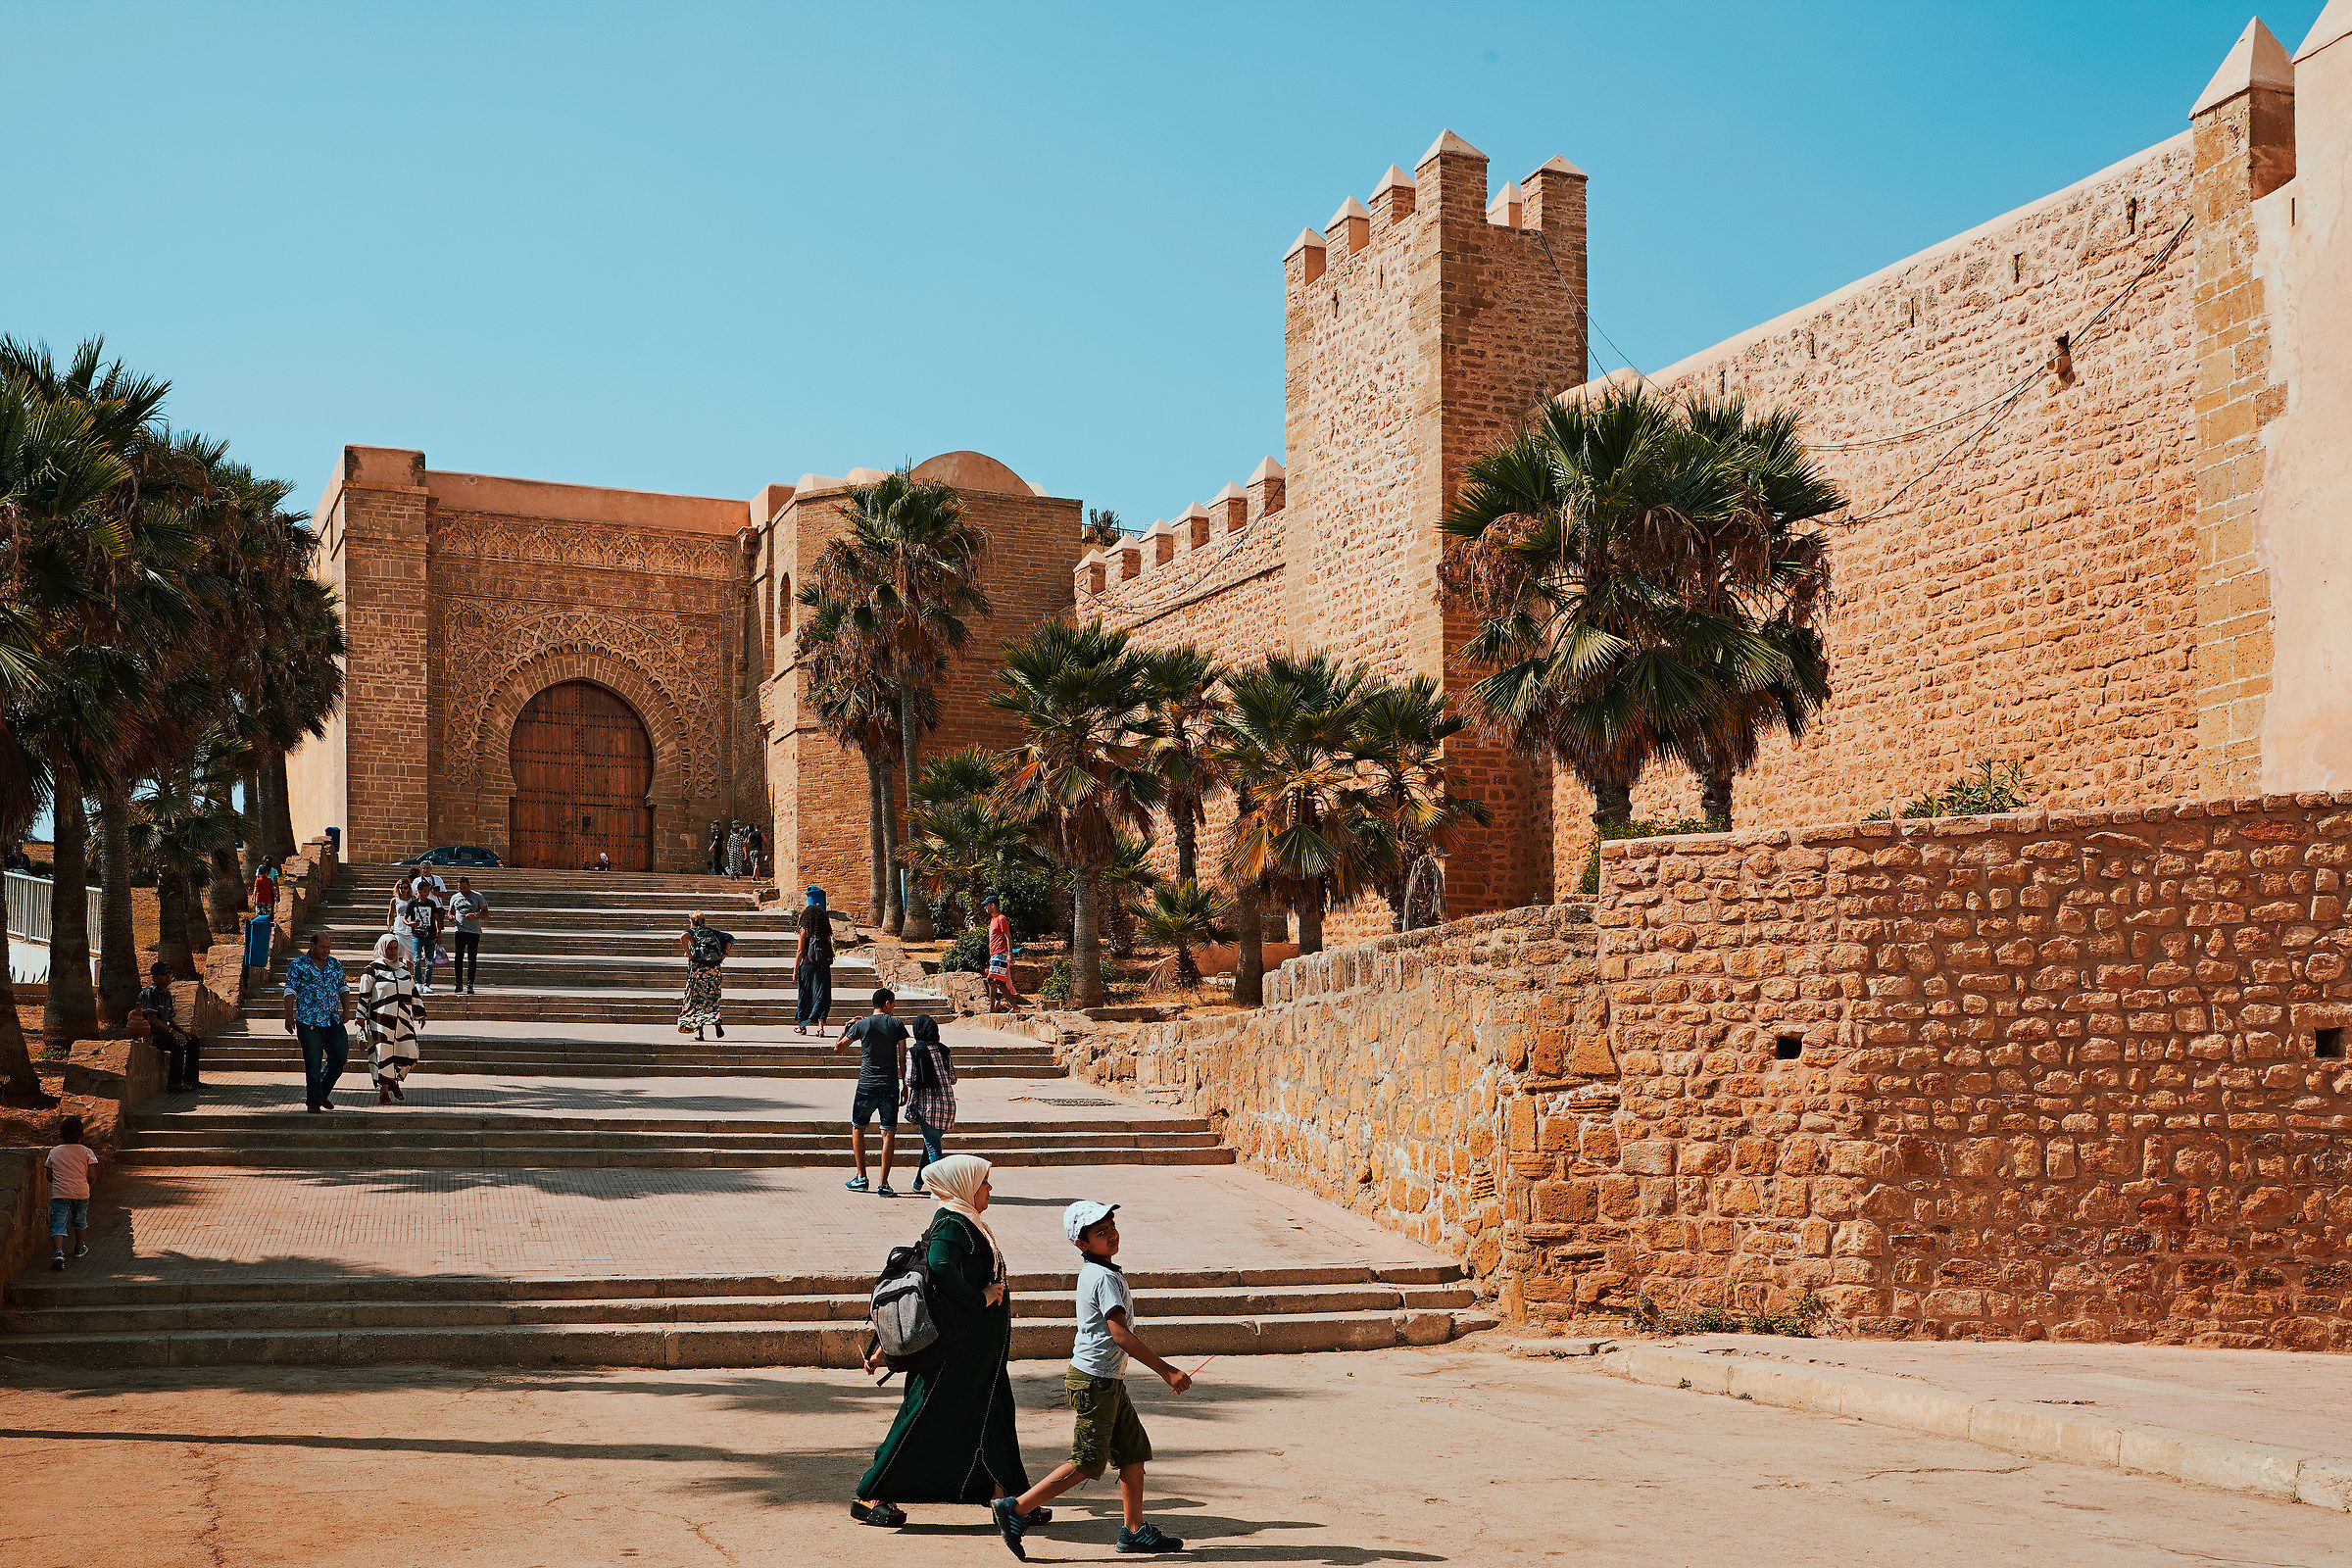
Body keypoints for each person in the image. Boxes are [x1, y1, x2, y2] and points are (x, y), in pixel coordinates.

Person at [991, 1200, 1192, 1558]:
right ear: (1081, 1244)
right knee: (1087, 1460)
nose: (1112, 1234)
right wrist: (1167, 1370)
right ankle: (1016, 1508)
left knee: (1132, 1451)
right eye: (1101, 1233)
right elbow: (1121, 1335)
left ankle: (1133, 1531)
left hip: (1107, 1380)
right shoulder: (1102, 1278)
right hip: (1095, 1382)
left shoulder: (1105, 1272)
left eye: (1112, 1226)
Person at [851, 1153, 1032, 1530]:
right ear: (964, 1185)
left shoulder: (966, 1221)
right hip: (955, 1350)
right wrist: (978, 1298)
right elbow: (941, 1266)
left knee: (993, 1415)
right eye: (984, 1182)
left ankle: (1010, 1497)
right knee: (924, 1415)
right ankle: (871, 1496)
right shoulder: (953, 1224)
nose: (990, 1188)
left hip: (977, 1351)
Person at [835, 989, 908, 1195]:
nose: (893, 1009)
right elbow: (903, 1058)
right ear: (887, 1004)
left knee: (858, 1128)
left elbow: (838, 1049)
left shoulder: (861, 1024)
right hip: (890, 1086)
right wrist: (906, 1085)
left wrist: (846, 1028)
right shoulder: (897, 1025)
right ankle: (883, 1184)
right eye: (893, 1005)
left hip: (866, 1085)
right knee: (888, 1133)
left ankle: (861, 1177)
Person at [282, 930, 352, 1113]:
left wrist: (347, 1009)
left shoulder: (334, 964)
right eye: (322, 947)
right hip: (308, 1022)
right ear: (312, 945)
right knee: (313, 1063)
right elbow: (290, 991)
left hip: (332, 1020)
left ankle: (321, 1093)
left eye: (328, 947)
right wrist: (289, 1017)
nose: (326, 951)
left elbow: (343, 987)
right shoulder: (298, 965)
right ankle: (314, 1102)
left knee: (339, 1058)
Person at [359, 932, 425, 1104]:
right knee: (384, 1056)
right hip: (380, 1022)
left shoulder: (403, 969)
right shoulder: (371, 970)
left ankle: (394, 1079)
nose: (393, 951)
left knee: (412, 1053)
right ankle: (384, 1091)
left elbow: (413, 992)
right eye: (390, 948)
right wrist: (359, 1017)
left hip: (403, 1020)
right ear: (382, 948)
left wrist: (420, 1013)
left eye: (396, 948)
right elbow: (363, 995)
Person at [904, 1012, 956, 1198]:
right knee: (930, 1144)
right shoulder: (944, 1050)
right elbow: (953, 1078)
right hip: (948, 1105)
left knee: (933, 1147)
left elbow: (910, 1079)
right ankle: (918, 1182)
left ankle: (938, 1188)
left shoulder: (914, 1052)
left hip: (928, 1107)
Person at [135, 961, 202, 1093]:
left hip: (165, 1032)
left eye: (170, 973)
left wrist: (181, 1032)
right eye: (164, 974)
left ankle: (191, 1079)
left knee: (193, 1040)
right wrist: (173, 1033)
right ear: (154, 977)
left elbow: (170, 1018)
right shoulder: (151, 992)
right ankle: (174, 1083)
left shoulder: (167, 994)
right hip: (153, 1035)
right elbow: (152, 1019)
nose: (168, 976)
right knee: (177, 1043)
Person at [46, 1114, 98, 1271]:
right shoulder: (87, 1152)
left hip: (60, 1193)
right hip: (81, 1193)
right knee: (80, 1220)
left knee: (58, 1223)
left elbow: (49, 1176)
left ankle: (58, 1253)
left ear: (60, 1136)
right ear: (82, 1136)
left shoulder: (54, 1152)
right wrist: (88, 1185)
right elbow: (91, 1176)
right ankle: (79, 1247)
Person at [678, 911, 734, 1041]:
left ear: (692, 921)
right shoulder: (712, 932)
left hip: (698, 971)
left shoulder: (693, 932)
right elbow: (730, 939)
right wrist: (724, 955)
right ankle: (716, 1019)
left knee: (696, 1000)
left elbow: (682, 937)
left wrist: (689, 955)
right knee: (712, 997)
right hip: (714, 970)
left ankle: (700, 1034)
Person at [796, 886, 834, 1037]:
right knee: (822, 996)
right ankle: (820, 1027)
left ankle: (802, 1026)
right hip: (823, 966)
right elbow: (830, 948)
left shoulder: (804, 928)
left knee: (805, 995)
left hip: (807, 966)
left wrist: (795, 970)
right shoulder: (825, 930)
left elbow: (800, 951)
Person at [448, 875, 490, 996]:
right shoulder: (455, 897)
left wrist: (475, 915)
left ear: (469, 886)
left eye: (464, 888)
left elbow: (486, 913)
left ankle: (470, 984)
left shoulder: (478, 896)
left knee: (472, 959)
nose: (462, 890)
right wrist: (450, 916)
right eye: (460, 888)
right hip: (459, 930)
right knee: (458, 958)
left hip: (473, 932)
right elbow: (450, 911)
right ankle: (458, 983)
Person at [397, 879, 440, 995]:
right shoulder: (413, 903)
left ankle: (427, 984)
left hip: (430, 935)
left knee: (429, 961)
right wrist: (410, 924)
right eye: (425, 890)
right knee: (416, 959)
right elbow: (404, 918)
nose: (427, 892)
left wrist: (438, 933)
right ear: (419, 891)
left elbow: (436, 918)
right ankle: (419, 983)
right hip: (417, 935)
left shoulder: (431, 903)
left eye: (428, 890)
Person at [983, 894, 1023, 1012]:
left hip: (1000, 954)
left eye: (987, 905)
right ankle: (1013, 1007)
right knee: (996, 982)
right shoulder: (993, 920)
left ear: (993, 905)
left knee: (993, 981)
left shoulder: (1001, 919)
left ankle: (994, 1009)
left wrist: (1010, 954)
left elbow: (1008, 937)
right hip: (995, 954)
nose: (985, 908)